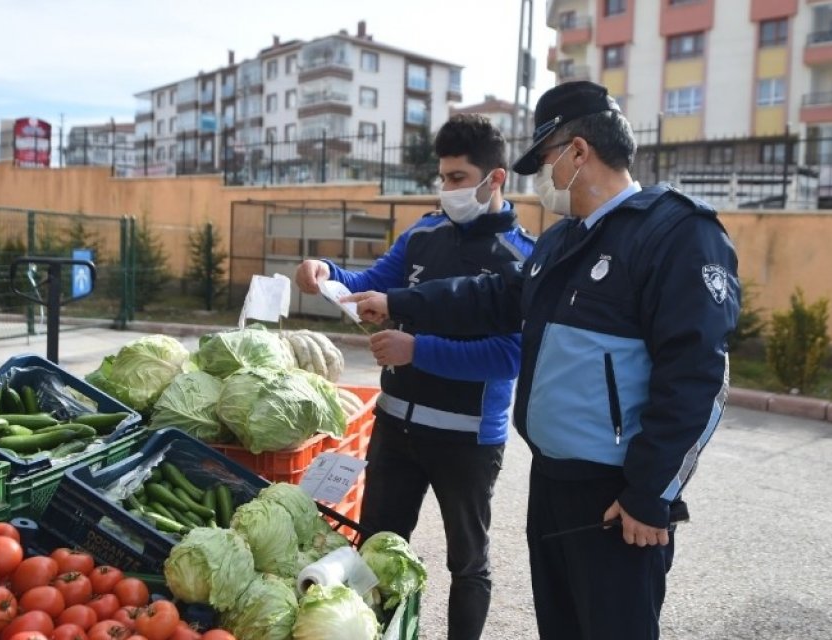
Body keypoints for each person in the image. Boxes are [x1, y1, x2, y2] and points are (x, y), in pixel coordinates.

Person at [343, 81, 741, 640]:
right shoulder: (565, 242)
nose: (542, 177)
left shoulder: (674, 234)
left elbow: (699, 376)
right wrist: (397, 302)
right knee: (561, 625)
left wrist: (651, 495)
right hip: (552, 480)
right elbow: (493, 299)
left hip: (617, 495)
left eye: (546, 159)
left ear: (579, 152)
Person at [294, 114, 534, 640]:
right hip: (395, 429)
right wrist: (325, 273)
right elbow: (370, 284)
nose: (445, 190)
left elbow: (511, 355)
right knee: (375, 552)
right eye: (441, 177)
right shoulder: (423, 234)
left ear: (496, 180)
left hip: (468, 440)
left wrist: (416, 349)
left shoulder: (523, 257)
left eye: (457, 178)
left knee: (467, 563)